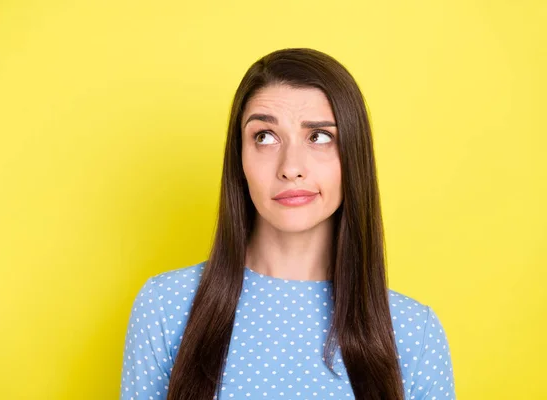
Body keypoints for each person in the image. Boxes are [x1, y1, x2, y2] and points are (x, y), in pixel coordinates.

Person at [119, 48, 455, 400]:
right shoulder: (164, 307)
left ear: (353, 156)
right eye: (265, 136)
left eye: (319, 137)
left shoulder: (415, 334)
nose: (291, 167)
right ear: (239, 158)